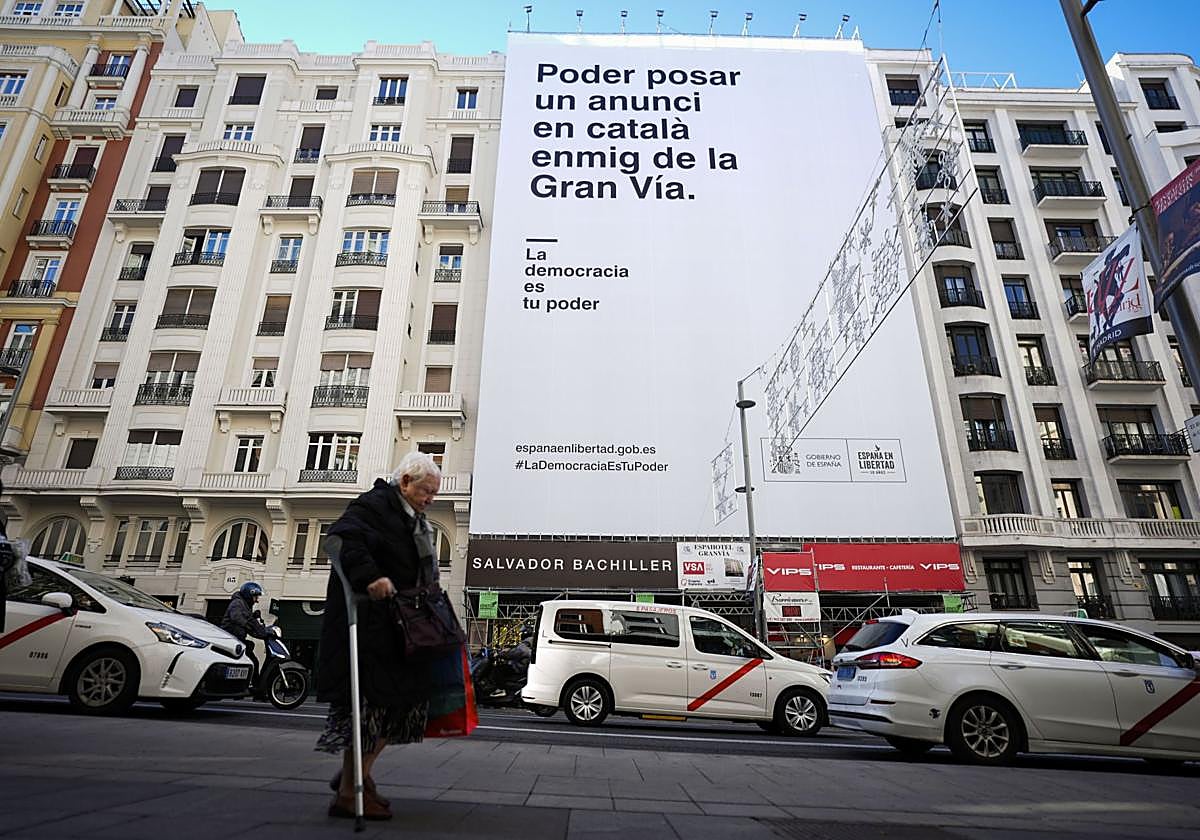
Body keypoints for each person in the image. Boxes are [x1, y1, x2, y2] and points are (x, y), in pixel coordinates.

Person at [315, 451, 442, 821]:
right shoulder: (372, 507)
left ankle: (357, 776)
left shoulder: (410, 517)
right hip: (372, 630)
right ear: (405, 482)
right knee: (376, 709)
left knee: (400, 705)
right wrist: (371, 577)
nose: (431, 499)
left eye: (434, 492)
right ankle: (350, 791)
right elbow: (344, 540)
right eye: (426, 491)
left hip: (399, 628)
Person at [220, 581, 270, 677]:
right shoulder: (237, 603)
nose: (256, 600)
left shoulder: (246, 606)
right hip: (230, 639)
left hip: (238, 639)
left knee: (253, 661)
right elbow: (236, 617)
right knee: (253, 662)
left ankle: (252, 684)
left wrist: (261, 631)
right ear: (248, 595)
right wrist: (247, 624)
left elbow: (248, 621)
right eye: (255, 597)